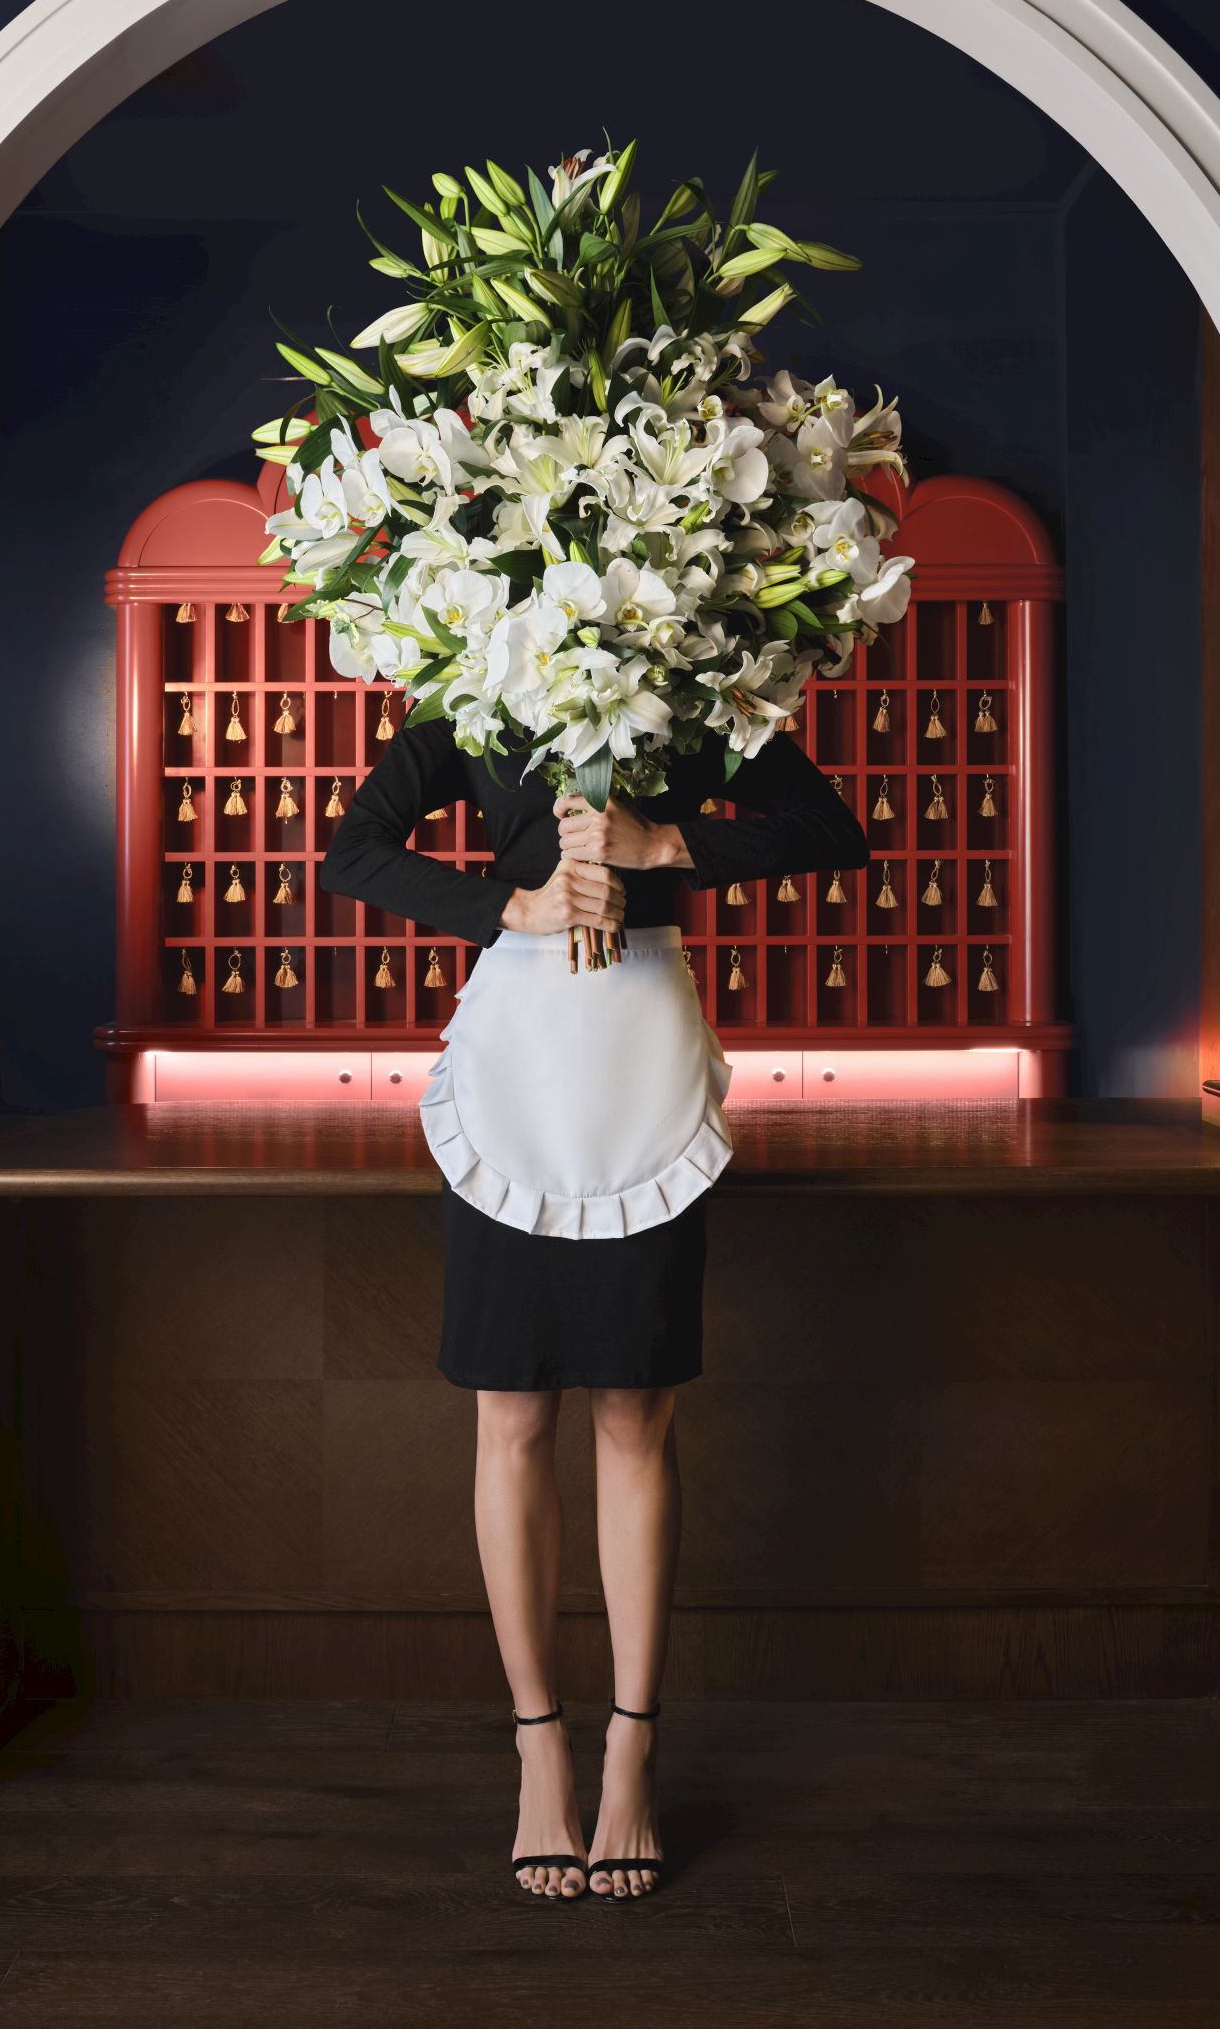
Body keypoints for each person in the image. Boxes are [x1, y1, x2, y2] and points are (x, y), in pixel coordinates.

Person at [319, 714, 868, 1902]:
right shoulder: (464, 687)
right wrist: (508, 906)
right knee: (508, 1416)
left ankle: (631, 1743)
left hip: (638, 1054)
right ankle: (535, 1749)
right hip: (513, 1055)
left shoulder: (699, 686)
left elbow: (833, 831)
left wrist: (661, 839)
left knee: (632, 1414)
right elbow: (350, 849)